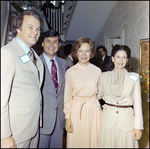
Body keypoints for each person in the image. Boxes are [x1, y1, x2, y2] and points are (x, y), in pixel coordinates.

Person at [1, 10, 44, 148]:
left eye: (38, 28)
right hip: (15, 132)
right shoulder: (8, 53)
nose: (35, 32)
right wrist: (4, 135)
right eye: (30, 27)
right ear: (18, 29)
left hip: (32, 127)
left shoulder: (34, 55)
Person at [97, 44, 143, 148]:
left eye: (124, 57)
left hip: (127, 123)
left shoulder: (134, 77)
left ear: (127, 60)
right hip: (107, 122)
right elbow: (96, 97)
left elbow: (138, 104)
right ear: (112, 59)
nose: (121, 60)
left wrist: (138, 127)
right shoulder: (103, 76)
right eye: (118, 57)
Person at [64, 37, 102, 148]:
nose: (84, 54)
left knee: (94, 141)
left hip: (93, 111)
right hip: (76, 112)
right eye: (80, 51)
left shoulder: (97, 71)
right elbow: (67, 97)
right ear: (76, 53)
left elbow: (101, 93)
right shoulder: (70, 72)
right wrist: (68, 118)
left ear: (91, 53)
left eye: (87, 51)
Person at [38, 29, 68, 148]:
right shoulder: (35, 62)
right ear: (42, 43)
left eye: (55, 42)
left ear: (59, 45)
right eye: (48, 41)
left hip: (59, 120)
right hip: (42, 120)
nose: (51, 45)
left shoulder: (63, 64)